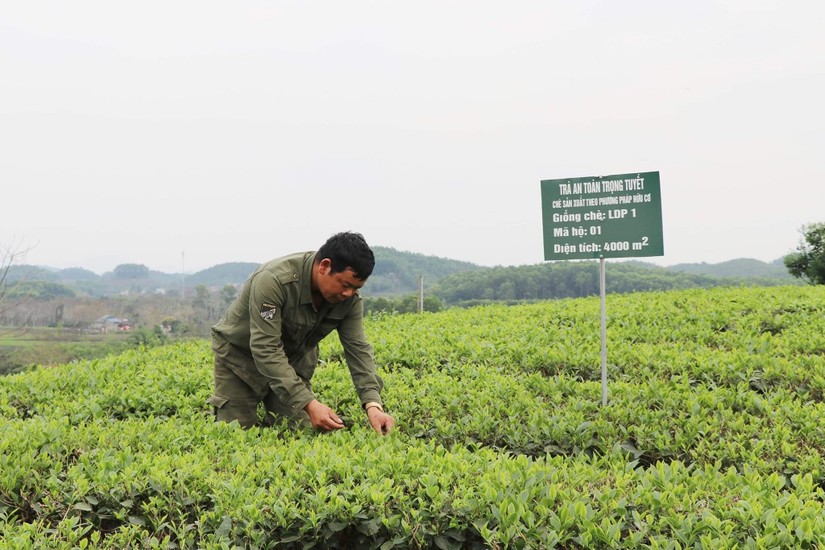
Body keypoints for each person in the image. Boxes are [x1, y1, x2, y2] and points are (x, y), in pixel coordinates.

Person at [207, 231, 395, 435]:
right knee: (235, 436)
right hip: (240, 361)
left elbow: (358, 350)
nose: (348, 293)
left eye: (356, 287)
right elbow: (265, 348)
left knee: (300, 433)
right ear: (324, 266)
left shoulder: (349, 300)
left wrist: (373, 405)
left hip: (293, 364)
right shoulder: (274, 281)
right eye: (345, 284)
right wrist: (309, 403)